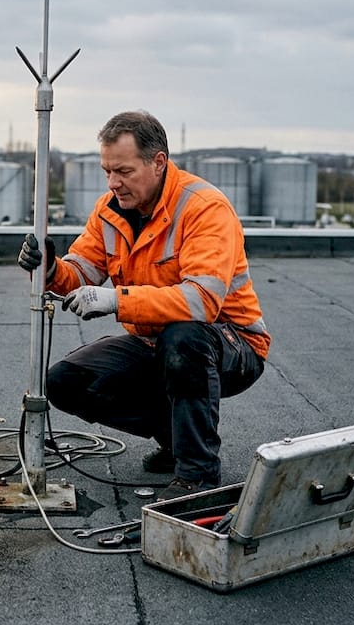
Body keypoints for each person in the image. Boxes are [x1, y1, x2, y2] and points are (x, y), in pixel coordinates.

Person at [18, 110, 270, 501]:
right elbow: (82, 271)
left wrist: (116, 301)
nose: (113, 183)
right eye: (107, 171)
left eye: (123, 171)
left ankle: (197, 474)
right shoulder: (109, 210)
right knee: (65, 382)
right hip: (157, 343)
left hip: (232, 343)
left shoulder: (204, 208)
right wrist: (50, 267)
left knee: (183, 338)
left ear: (158, 163)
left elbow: (201, 302)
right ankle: (174, 436)